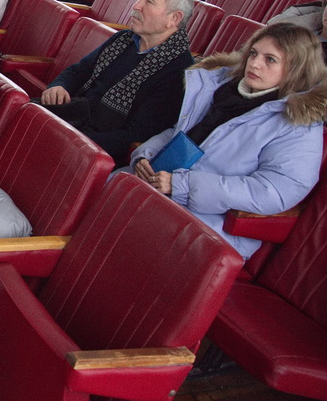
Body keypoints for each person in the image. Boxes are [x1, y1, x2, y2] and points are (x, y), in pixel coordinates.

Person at [129, 23, 326, 260]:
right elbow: (179, 132)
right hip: (161, 186)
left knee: (124, 224)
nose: (254, 63)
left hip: (212, 224)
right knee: (110, 192)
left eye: (270, 60)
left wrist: (181, 185)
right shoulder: (222, 88)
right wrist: (146, 155)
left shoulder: (299, 125)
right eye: (253, 53)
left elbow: (274, 191)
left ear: (297, 69)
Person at [40, 0, 194, 165]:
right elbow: (78, 71)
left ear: (174, 18)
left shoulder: (178, 71)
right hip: (74, 117)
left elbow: (134, 137)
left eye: (149, 2)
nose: (136, 6)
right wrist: (59, 86)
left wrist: (69, 138)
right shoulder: (123, 39)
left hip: (96, 149)